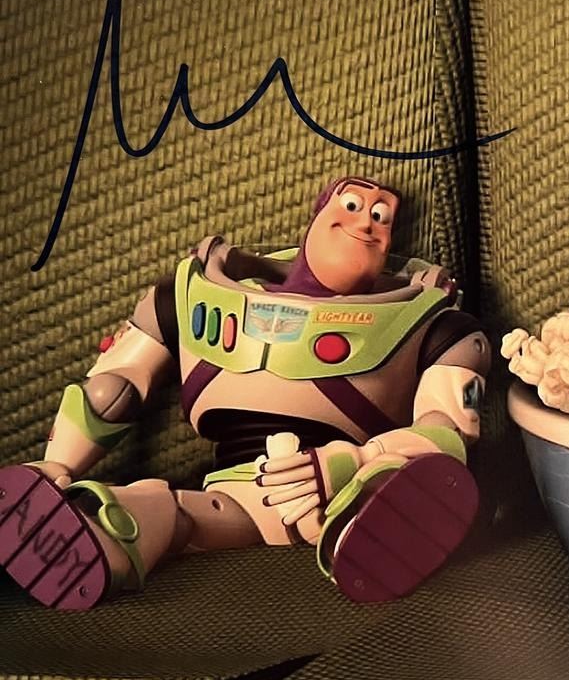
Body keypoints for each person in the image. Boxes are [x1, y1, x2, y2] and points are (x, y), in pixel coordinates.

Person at [0, 176, 491, 609]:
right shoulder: (187, 295)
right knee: (160, 507)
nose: (367, 224)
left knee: (399, 474)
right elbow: (113, 386)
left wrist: (354, 462)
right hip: (238, 493)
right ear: (319, 214)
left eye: (382, 217)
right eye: (353, 206)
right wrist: (56, 466)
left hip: (346, 477)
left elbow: (446, 434)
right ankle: (91, 535)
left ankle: (374, 523)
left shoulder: (439, 327)